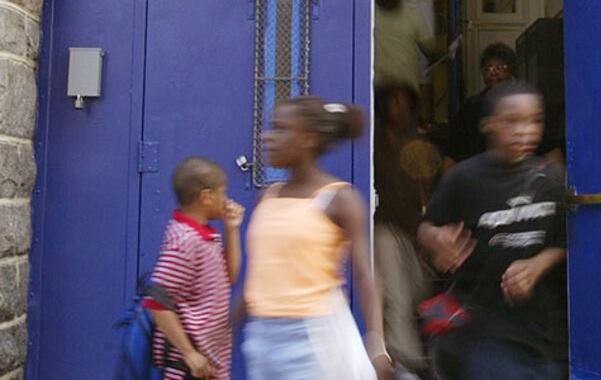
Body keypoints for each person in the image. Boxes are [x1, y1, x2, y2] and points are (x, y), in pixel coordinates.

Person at [418, 80, 568, 379]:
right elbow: (425, 227)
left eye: (534, 121)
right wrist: (436, 239)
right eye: (511, 121)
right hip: (483, 327)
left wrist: (537, 265)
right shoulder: (465, 178)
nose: (524, 130)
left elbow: (565, 241)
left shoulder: (550, 178)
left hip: (541, 330)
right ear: (488, 125)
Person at [241, 96, 393, 380]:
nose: (266, 137)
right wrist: (226, 325)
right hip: (261, 337)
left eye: (280, 129)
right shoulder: (267, 196)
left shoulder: (339, 199)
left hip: (312, 339)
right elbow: (258, 274)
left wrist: (377, 344)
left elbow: (364, 275)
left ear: (308, 139)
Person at [143, 157, 244, 380]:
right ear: (206, 197)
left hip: (209, 365)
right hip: (188, 368)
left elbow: (231, 275)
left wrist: (231, 229)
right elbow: (156, 301)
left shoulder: (206, 236)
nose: (225, 199)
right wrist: (189, 353)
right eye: (223, 193)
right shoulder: (185, 241)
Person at [373, 86, 444, 377]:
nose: (398, 111)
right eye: (393, 104)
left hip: (412, 229)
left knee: (419, 288)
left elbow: (426, 192)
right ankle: (404, 360)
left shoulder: (415, 145)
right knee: (397, 295)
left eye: (404, 105)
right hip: (384, 228)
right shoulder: (375, 145)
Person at [374, 0, 436, 97]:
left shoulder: (369, 14)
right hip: (403, 90)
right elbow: (430, 50)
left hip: (382, 90)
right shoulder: (412, 14)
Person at [449, 43, 516, 161]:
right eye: (488, 68)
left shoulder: (524, 105)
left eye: (501, 67)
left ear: (511, 71)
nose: (493, 72)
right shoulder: (470, 107)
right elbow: (452, 151)